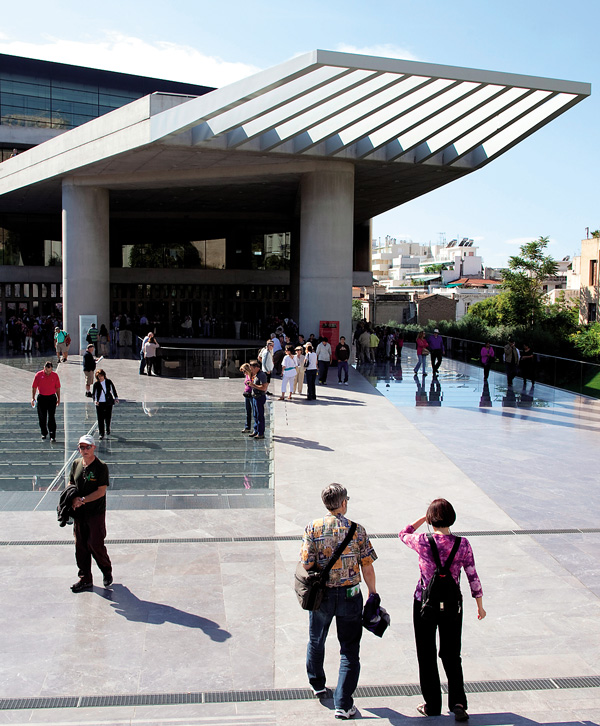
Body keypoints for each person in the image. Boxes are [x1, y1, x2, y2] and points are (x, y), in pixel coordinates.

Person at [399, 499, 486, 721]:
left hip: (424, 603)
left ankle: (432, 704)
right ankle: (458, 702)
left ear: (431, 519)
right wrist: (479, 605)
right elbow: (472, 575)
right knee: (451, 654)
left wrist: (421, 519)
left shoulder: (422, 541)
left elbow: (402, 533)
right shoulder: (463, 544)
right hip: (453, 605)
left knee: (426, 654)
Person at [300, 484, 378, 720]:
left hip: (322, 596)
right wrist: (372, 593)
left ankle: (317, 684)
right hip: (350, 596)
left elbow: (306, 564)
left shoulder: (312, 528)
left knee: (317, 639)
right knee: (349, 649)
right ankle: (343, 704)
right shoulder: (357, 530)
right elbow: (367, 565)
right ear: (343, 503)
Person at [68, 435, 113, 592]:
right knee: (80, 546)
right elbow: (71, 483)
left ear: (93, 447)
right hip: (79, 513)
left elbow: (101, 491)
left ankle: (106, 570)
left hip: (95, 513)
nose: (84, 450)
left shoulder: (101, 467)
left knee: (95, 544)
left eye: (87, 447)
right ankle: (85, 578)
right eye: (82, 447)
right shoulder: (75, 464)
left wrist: (83, 499)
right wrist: (73, 499)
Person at [31, 361, 61, 442]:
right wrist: (33, 398)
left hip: (51, 398)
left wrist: (59, 398)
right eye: (47, 371)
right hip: (42, 398)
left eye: (50, 370)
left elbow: (57, 387)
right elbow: (34, 387)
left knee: (51, 417)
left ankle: (52, 434)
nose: (48, 372)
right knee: (42, 417)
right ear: (44, 368)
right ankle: (44, 432)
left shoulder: (55, 375)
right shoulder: (38, 375)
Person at [93, 369, 119, 439]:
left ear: (104, 376)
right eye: (99, 376)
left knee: (108, 417)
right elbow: (94, 393)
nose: (100, 378)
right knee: (100, 418)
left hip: (108, 402)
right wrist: (95, 401)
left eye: (101, 376)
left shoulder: (108, 382)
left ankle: (108, 428)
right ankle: (101, 433)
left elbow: (113, 389)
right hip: (99, 403)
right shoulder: (96, 384)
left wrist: (116, 397)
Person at [248, 360, 268, 439]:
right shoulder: (256, 375)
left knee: (260, 415)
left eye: (252, 368)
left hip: (259, 397)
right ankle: (256, 430)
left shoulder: (262, 375)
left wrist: (253, 385)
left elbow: (264, 388)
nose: (251, 370)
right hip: (255, 397)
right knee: (255, 415)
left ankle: (260, 433)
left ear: (256, 367)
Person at [240, 363, 254, 433]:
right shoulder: (247, 375)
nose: (244, 373)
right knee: (248, 411)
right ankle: (247, 427)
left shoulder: (252, 376)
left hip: (251, 394)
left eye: (244, 371)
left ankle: (256, 428)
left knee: (254, 411)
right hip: (246, 394)